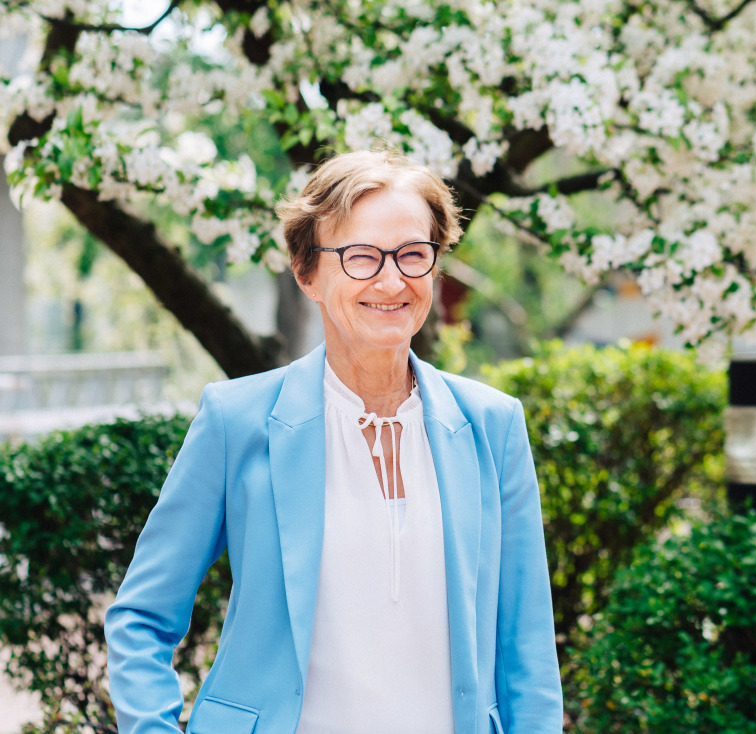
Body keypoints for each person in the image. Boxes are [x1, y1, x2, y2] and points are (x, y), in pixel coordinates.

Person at [104, 149, 564, 734]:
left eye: (413, 255)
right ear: (307, 272)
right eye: (362, 257)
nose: (392, 280)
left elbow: (527, 650)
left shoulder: (494, 426)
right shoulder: (235, 421)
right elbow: (140, 618)